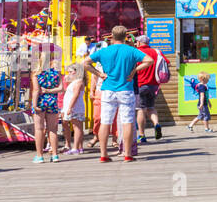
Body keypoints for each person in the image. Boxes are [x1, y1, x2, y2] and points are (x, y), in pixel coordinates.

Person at [85, 25, 151, 163]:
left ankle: (103, 154)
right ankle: (127, 154)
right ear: (126, 36)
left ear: (112, 37)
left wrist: (99, 74)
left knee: (105, 122)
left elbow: (85, 63)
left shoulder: (104, 51)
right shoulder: (131, 50)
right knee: (127, 122)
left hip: (108, 89)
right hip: (126, 89)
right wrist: (134, 71)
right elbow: (149, 60)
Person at [30, 49, 62, 164]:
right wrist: (50, 90)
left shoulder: (36, 73)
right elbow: (61, 88)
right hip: (52, 101)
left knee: (39, 129)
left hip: (40, 101)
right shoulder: (56, 72)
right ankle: (55, 155)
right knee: (53, 129)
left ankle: (39, 156)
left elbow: (36, 90)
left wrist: (34, 104)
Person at [134, 34, 163, 143]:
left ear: (140, 42)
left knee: (141, 109)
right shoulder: (156, 52)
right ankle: (156, 124)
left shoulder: (137, 52)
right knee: (151, 107)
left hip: (141, 84)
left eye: (137, 41)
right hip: (154, 85)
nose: (136, 43)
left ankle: (142, 135)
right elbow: (166, 64)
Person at [60, 52, 87, 155]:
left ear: (76, 72)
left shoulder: (79, 82)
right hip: (74, 107)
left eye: (70, 71)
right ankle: (79, 147)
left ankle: (76, 147)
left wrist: (70, 107)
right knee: (76, 127)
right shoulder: (75, 81)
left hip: (75, 107)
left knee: (77, 127)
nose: (69, 73)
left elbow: (75, 95)